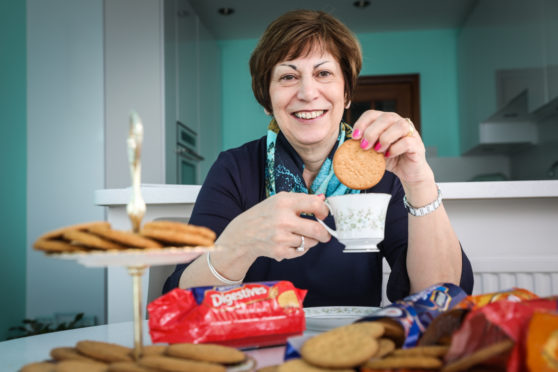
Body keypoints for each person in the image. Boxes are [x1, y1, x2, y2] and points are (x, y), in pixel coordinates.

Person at [163, 9, 473, 307]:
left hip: (356, 344)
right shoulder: (235, 169)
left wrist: (419, 181)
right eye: (287, 77)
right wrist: (236, 247)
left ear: (347, 93)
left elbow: (442, 297)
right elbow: (178, 303)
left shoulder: (383, 168)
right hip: (260, 348)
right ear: (267, 100)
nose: (308, 92)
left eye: (323, 73)